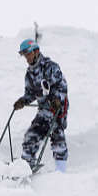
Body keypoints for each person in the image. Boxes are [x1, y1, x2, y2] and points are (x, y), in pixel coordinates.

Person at [13, 38, 69, 172]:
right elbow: (30, 93)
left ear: (36, 51)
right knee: (31, 135)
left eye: (28, 54)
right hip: (44, 110)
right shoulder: (29, 74)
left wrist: (57, 100)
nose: (26, 57)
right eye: (24, 55)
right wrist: (23, 101)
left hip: (57, 108)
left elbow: (62, 87)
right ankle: (26, 165)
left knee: (57, 135)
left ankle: (61, 170)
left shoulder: (51, 67)